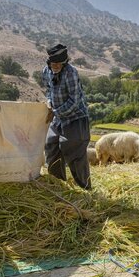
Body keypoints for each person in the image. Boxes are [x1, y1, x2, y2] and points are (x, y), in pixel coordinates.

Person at [42, 43, 91, 190]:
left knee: (74, 149)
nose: (55, 66)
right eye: (53, 63)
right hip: (57, 117)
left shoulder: (70, 73)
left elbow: (74, 101)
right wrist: (50, 104)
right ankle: (58, 186)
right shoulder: (46, 71)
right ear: (49, 62)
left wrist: (55, 112)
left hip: (75, 117)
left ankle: (84, 188)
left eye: (59, 64)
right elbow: (49, 91)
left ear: (64, 63)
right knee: (51, 146)